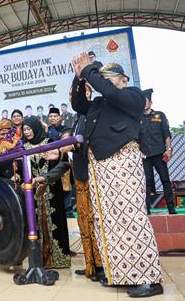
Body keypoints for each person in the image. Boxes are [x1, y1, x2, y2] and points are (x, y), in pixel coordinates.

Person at [72, 53, 163, 297]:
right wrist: (80, 78)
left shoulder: (133, 95)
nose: (103, 83)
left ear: (122, 80)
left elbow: (108, 91)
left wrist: (90, 69)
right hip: (100, 166)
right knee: (109, 222)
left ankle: (149, 279)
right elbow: (79, 105)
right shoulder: (100, 104)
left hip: (122, 162)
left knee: (131, 219)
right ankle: (122, 274)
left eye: (108, 79)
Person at [22, 117, 71, 269]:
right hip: (33, 193)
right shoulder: (24, 147)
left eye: (29, 129)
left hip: (52, 189)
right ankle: (41, 260)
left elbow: (63, 163)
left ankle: (59, 259)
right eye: (24, 130)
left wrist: (47, 177)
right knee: (36, 223)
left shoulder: (50, 141)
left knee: (56, 222)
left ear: (36, 128)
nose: (27, 132)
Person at [70, 82, 104, 280]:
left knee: (95, 220)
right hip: (80, 174)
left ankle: (100, 265)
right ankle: (90, 264)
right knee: (84, 221)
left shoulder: (93, 114)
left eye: (85, 91)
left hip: (93, 176)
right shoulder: (77, 119)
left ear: (90, 94)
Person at [138, 89, 176, 215]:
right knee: (147, 182)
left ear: (151, 102)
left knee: (165, 180)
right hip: (145, 155)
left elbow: (166, 133)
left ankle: (171, 208)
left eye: (146, 100)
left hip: (159, 154)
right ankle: (146, 209)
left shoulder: (159, 116)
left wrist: (169, 149)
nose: (144, 103)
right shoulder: (137, 118)